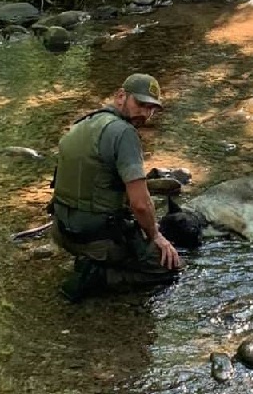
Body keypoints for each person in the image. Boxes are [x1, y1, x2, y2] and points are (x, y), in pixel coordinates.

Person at [50, 73, 183, 302]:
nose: (145, 113)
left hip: (62, 231)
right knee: (171, 267)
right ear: (121, 96)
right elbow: (140, 205)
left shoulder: (83, 124)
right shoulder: (124, 133)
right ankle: (100, 275)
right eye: (140, 104)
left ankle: (91, 260)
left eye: (151, 108)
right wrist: (156, 236)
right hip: (96, 239)